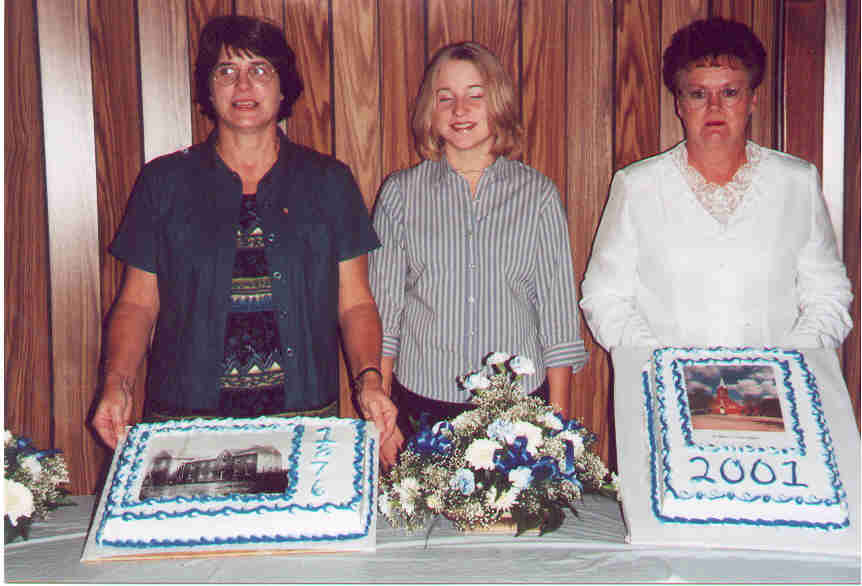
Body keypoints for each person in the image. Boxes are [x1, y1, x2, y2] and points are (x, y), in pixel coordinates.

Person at [92, 15, 396, 450]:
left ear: (283, 84)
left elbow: (356, 304)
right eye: (226, 71)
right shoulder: (164, 182)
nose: (243, 86)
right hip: (186, 424)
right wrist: (117, 383)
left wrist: (368, 381)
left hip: (302, 420)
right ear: (208, 87)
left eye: (259, 70)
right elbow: (137, 304)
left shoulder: (329, 181)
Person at [369, 42, 588, 464]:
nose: (460, 109)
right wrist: (384, 420)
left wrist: (556, 424)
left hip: (518, 411)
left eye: (475, 95)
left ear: (498, 104)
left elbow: (559, 323)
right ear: (429, 113)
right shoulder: (400, 195)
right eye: (445, 98)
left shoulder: (538, 196)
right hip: (423, 405)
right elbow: (385, 316)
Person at [580, 18, 852, 351]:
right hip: (666, 387)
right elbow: (604, 296)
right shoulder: (638, 186)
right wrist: (663, 364)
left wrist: (785, 365)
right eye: (698, 94)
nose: (714, 107)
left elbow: (829, 295)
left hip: (775, 393)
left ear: (752, 99)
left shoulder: (796, 182)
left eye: (729, 92)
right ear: (680, 105)